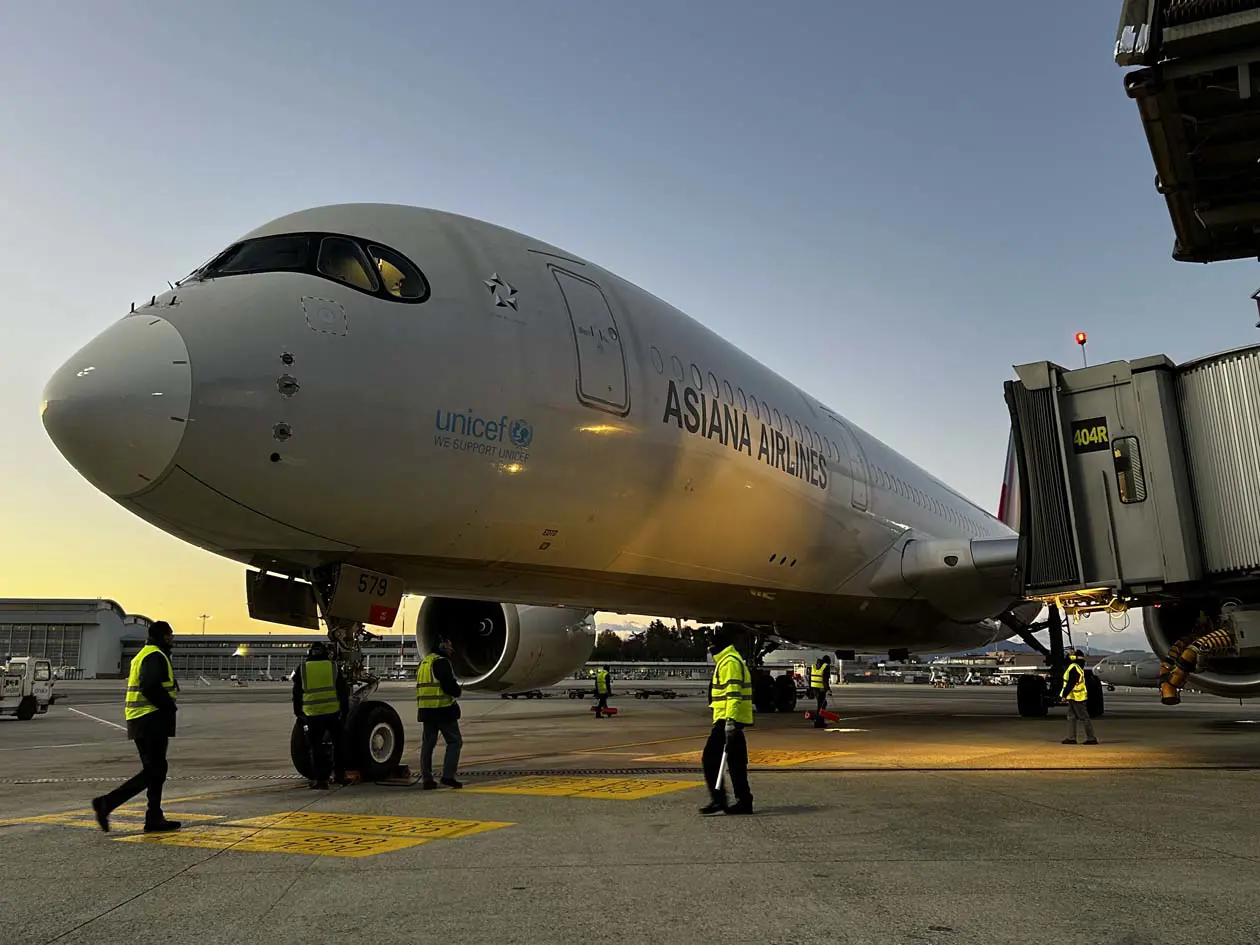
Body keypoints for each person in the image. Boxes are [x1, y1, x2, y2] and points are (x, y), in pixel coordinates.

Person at [91, 620, 181, 833]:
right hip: (150, 718)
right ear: (162, 636)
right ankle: (107, 803)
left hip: (142, 718)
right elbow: (149, 685)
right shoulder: (154, 655)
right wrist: (169, 707)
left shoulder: (145, 654)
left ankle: (154, 818)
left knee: (156, 770)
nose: (172, 639)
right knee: (155, 771)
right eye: (170, 635)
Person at [700, 627, 754, 816]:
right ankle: (744, 800)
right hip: (730, 718)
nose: (710, 650)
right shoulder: (728, 659)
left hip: (728, 720)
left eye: (711, 646)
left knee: (710, 759)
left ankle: (719, 799)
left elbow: (733, 694)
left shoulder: (729, 662)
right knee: (736, 760)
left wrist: (730, 721)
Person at [293, 641, 350, 789]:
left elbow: (297, 693)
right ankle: (340, 775)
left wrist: (298, 712)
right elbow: (343, 692)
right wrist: (345, 711)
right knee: (339, 744)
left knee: (316, 747)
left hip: (312, 714)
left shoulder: (303, 669)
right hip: (332, 712)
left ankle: (321, 780)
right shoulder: (333, 667)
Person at [416, 636, 464, 789]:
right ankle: (448, 776)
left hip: (426, 711)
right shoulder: (441, 662)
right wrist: (458, 691)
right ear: (442, 646)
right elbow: (449, 686)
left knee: (427, 746)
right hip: (442, 710)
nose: (451, 650)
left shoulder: (424, 662)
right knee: (455, 742)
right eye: (450, 647)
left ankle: (427, 779)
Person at [1060, 649, 1099, 745]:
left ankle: (1091, 738)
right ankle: (1071, 738)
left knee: (1083, 717)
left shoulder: (1073, 667)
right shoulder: (1078, 667)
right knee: (1071, 716)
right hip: (1074, 696)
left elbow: (1071, 683)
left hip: (1076, 697)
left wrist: (1064, 695)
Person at [809, 655, 832, 728]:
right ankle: (818, 722)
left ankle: (818, 721)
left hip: (815, 688)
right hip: (821, 689)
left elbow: (810, 678)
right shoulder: (826, 667)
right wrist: (828, 689)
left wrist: (810, 688)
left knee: (821, 704)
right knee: (822, 706)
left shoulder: (814, 666)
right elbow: (825, 680)